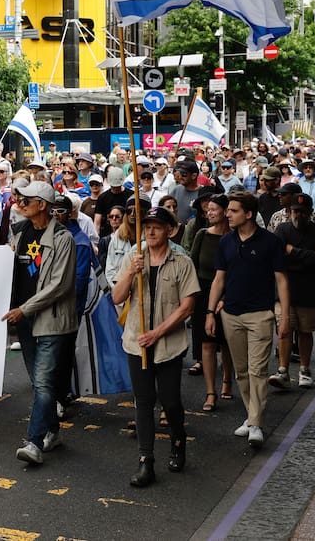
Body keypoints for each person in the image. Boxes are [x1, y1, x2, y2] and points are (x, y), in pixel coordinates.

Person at [112, 206, 198, 486]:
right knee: (144, 401)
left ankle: (178, 439)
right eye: (147, 227)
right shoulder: (133, 258)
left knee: (170, 402)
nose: (150, 232)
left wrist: (157, 333)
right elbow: (117, 297)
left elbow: (187, 307)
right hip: (137, 344)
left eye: (156, 227)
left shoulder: (182, 262)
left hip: (168, 345)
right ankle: (145, 461)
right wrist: (131, 272)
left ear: (169, 231)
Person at [205, 191, 291, 449]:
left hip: (260, 315)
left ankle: (255, 422)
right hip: (230, 314)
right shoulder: (226, 242)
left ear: (249, 214)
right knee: (241, 371)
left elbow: (282, 281)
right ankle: (251, 415)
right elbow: (218, 279)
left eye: (233, 211)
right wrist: (210, 312)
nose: (227, 214)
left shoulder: (270, 242)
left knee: (258, 370)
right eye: (228, 210)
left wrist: (285, 317)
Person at [2, 180, 77, 465]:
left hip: (51, 321)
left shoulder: (62, 238)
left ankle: (33, 442)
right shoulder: (20, 232)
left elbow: (59, 285)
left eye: (26, 200)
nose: (19, 204)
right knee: (39, 382)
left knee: (44, 383)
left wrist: (24, 309)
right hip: (25, 320)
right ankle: (52, 432)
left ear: (42, 205)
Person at [270, 194, 315, 390]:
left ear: (310, 213)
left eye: (303, 212)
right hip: (284, 290)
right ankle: (283, 370)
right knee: (284, 330)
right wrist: (308, 255)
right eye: (296, 211)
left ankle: (305, 369)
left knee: (305, 331)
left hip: (309, 290)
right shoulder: (282, 229)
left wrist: (292, 251)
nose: (299, 215)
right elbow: (277, 256)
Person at [188, 194, 235, 411]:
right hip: (203, 293)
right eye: (208, 210)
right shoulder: (202, 235)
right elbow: (193, 265)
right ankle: (210, 392)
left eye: (214, 209)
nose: (209, 213)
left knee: (225, 343)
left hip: (229, 294)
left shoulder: (234, 238)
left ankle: (227, 381)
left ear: (225, 211)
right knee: (207, 343)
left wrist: (224, 298)